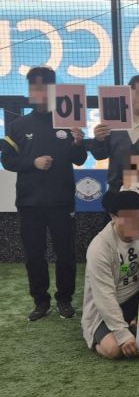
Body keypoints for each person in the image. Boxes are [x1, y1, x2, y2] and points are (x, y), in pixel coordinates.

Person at [0, 66, 87, 320]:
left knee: (65, 254)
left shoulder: (68, 122)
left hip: (62, 201)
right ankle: (40, 301)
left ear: (54, 90)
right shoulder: (18, 125)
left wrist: (78, 142)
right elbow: (7, 160)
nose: (38, 91)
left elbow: (80, 159)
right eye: (34, 87)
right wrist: (33, 163)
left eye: (44, 86)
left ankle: (64, 300)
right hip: (29, 202)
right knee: (34, 255)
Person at [82, 190, 139, 359]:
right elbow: (104, 296)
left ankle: (133, 322)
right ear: (113, 217)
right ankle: (98, 339)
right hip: (107, 306)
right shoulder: (99, 248)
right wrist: (122, 334)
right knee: (114, 350)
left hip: (136, 298)